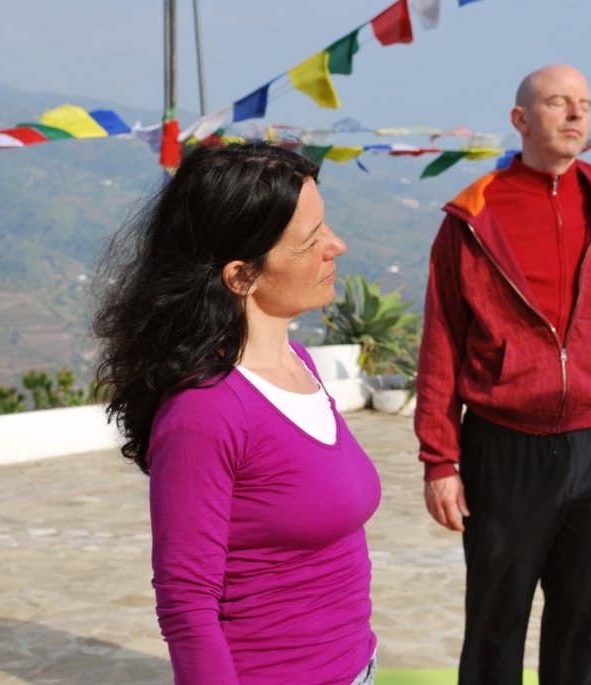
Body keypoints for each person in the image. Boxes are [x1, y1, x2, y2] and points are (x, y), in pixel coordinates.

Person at [93, 143, 381, 684]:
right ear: (241, 276)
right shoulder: (207, 411)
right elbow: (186, 602)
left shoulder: (300, 363)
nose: (336, 245)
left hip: (354, 667)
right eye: (311, 239)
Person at [414, 64, 591, 685]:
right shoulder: (472, 216)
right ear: (520, 120)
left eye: (585, 103)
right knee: (495, 624)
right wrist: (439, 459)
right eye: (558, 102)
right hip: (502, 448)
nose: (576, 114)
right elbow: (441, 343)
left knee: (584, 627)